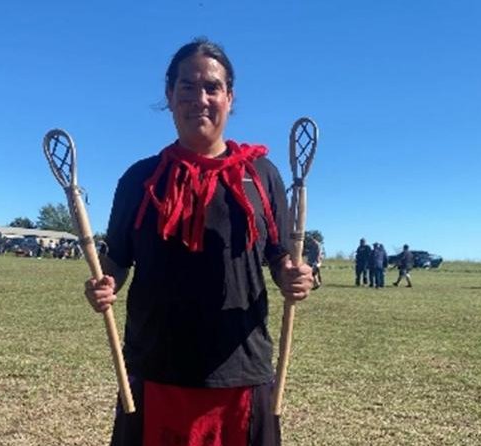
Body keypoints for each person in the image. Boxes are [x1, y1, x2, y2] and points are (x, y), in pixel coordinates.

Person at [84, 38, 313, 446]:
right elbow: (117, 258)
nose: (200, 98)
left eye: (212, 87)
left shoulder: (262, 174)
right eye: (187, 87)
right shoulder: (141, 178)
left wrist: (293, 275)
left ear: (230, 97)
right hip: (157, 369)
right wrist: (105, 283)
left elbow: (277, 253)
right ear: (169, 95)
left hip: (240, 370)